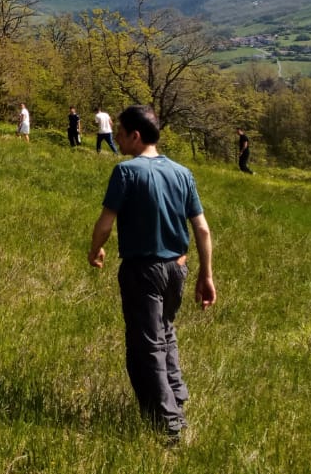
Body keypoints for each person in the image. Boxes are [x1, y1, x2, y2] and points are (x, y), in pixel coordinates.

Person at [87, 104, 217, 441]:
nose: (116, 137)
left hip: (143, 269)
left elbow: (105, 223)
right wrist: (206, 275)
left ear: (136, 135)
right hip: (178, 267)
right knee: (166, 332)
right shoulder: (182, 173)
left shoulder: (126, 172)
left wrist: (95, 248)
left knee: (146, 346)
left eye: (120, 131)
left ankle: (168, 423)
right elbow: (201, 229)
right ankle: (177, 397)